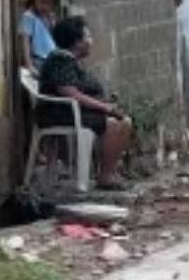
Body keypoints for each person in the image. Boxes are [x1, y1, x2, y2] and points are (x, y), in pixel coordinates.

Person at [37, 17, 132, 190]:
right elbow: (71, 94)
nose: (91, 41)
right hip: (60, 112)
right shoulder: (60, 60)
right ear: (77, 42)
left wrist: (106, 103)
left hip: (74, 111)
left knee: (124, 121)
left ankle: (110, 171)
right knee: (114, 123)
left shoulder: (72, 61)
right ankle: (106, 177)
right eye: (88, 36)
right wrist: (105, 107)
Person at [19, 0, 58, 73]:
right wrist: (29, 65)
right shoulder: (29, 17)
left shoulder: (46, 17)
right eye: (43, 2)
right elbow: (25, 42)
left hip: (50, 59)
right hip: (38, 60)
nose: (45, 7)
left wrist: (51, 23)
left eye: (49, 4)